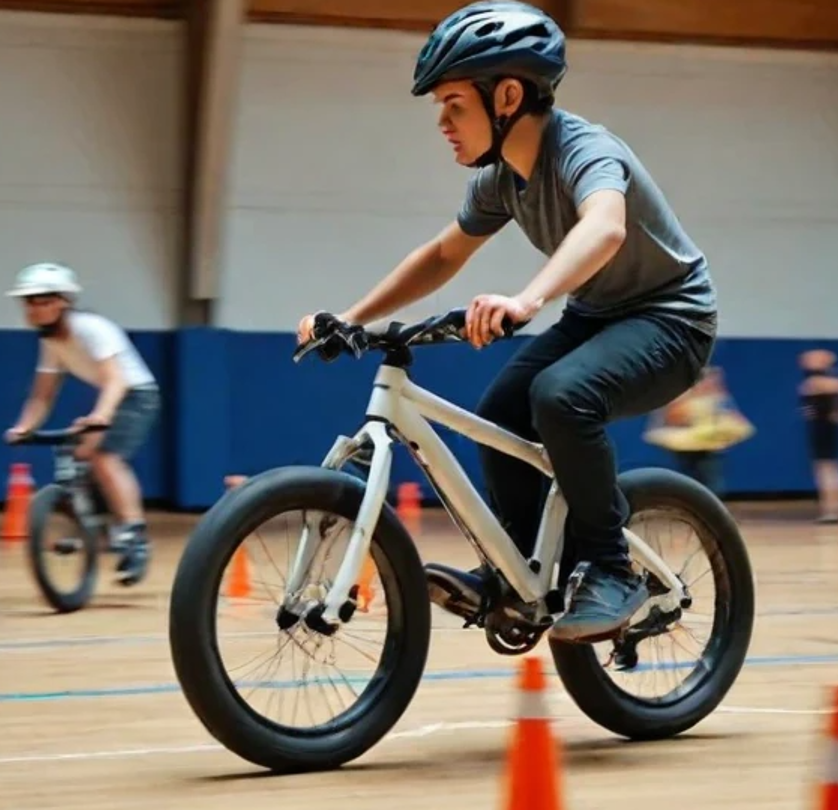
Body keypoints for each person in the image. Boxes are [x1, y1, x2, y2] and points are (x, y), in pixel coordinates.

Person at [296, 1, 716, 645]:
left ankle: (611, 567)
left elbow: (604, 225)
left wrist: (529, 299)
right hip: (597, 314)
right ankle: (519, 569)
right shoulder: (501, 182)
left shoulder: (586, 150)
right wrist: (350, 318)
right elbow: (442, 256)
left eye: (454, 104)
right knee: (501, 413)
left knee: (562, 395)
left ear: (509, 95)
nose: (441, 121)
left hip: (671, 319)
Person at [3, 263, 162, 586]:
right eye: (28, 301)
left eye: (40, 300)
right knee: (80, 457)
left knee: (105, 456)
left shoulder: (91, 328)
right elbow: (41, 397)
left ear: (62, 301)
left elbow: (115, 380)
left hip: (137, 394)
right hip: (113, 396)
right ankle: (94, 526)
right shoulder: (52, 343)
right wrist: (24, 427)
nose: (32, 308)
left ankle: (134, 536)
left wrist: (101, 416)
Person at [798, 350, 838, 524]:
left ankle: (833, 510)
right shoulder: (813, 382)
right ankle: (830, 509)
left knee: (828, 469)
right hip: (819, 427)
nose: (805, 360)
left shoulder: (822, 382)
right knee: (825, 469)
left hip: (826, 428)